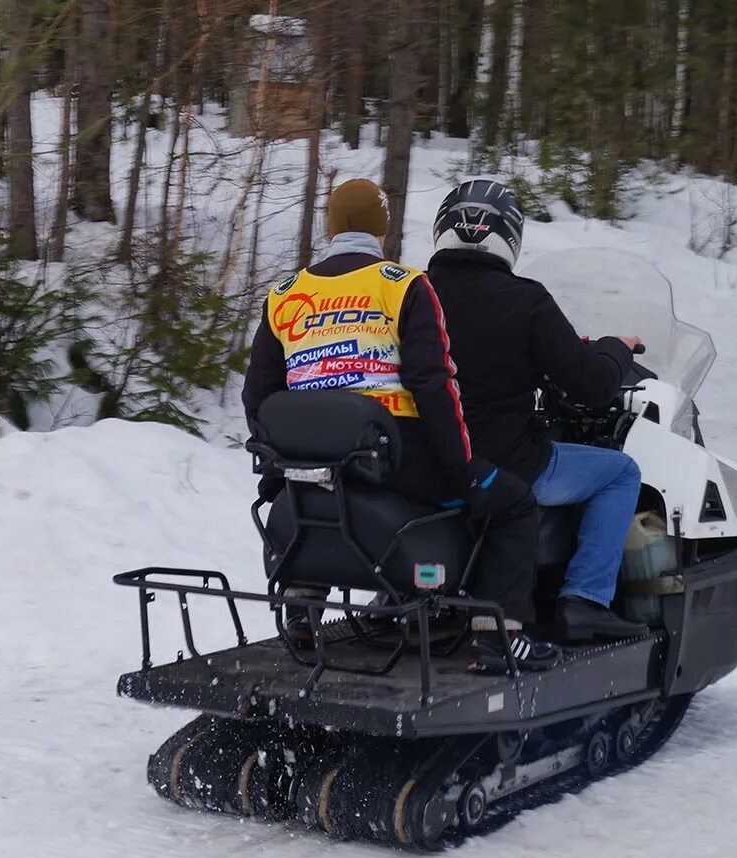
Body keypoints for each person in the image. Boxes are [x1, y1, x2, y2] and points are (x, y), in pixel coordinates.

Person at [243, 178, 559, 671]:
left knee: (316, 498)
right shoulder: (405, 284)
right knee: (514, 502)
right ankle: (500, 636)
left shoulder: (285, 294)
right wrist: (464, 467)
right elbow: (434, 383)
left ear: (329, 227)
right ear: (383, 229)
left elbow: (258, 394)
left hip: (315, 460)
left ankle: (303, 601)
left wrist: (279, 471)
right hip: (396, 456)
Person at [427, 179, 648, 643]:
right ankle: (584, 600)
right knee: (620, 473)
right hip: (508, 464)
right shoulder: (526, 300)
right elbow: (591, 386)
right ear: (509, 237)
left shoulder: (413, 295)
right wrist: (615, 350)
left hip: (428, 459)